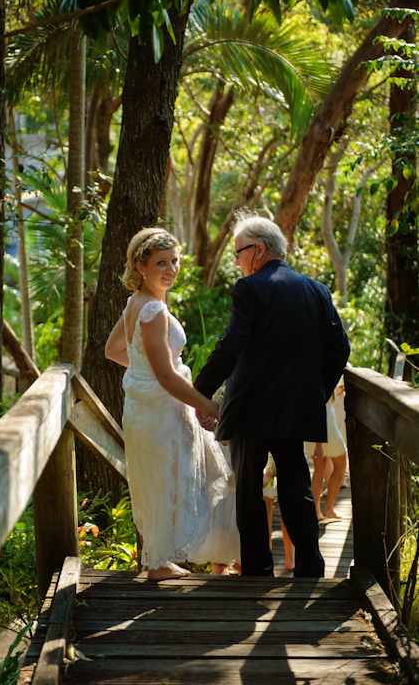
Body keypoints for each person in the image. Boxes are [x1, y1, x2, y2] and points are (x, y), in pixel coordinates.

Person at [194, 214, 350, 578]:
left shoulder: (250, 289)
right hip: (296, 409)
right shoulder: (317, 290)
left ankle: (257, 571)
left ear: (258, 250)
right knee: (297, 488)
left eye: (238, 253)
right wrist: (314, 392)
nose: (236, 261)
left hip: (251, 409)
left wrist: (197, 392)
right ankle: (310, 568)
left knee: (249, 490)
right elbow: (339, 349)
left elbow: (231, 347)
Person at [105, 227, 240, 581]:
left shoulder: (138, 303)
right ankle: (163, 562)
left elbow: (115, 350)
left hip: (145, 408)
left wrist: (145, 373)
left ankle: (158, 561)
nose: (171, 269)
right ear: (140, 265)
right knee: (191, 477)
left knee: (160, 479)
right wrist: (207, 406)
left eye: (175, 261)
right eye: (161, 263)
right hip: (161, 410)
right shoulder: (152, 309)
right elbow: (166, 376)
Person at [305, 379, 348, 520]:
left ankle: (316, 511)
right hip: (325, 427)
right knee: (341, 464)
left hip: (313, 426)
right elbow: (319, 407)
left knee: (319, 469)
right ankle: (328, 508)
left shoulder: (310, 372)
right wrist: (319, 445)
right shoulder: (321, 372)